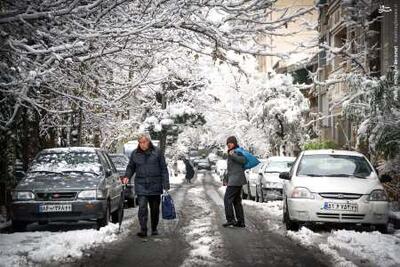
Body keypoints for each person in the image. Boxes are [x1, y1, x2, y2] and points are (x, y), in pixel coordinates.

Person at [122, 133, 170, 237]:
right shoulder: (135, 153)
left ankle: (154, 228)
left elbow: (164, 169)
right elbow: (131, 167)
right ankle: (143, 229)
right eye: (140, 142)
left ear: (149, 142)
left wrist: (166, 184)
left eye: (144, 142)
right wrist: (127, 176)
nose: (142, 144)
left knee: (154, 209)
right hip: (141, 185)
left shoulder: (157, 152)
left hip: (155, 184)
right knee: (142, 208)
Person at [222, 136, 246, 228]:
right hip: (234, 180)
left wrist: (233, 155)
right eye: (228, 144)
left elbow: (242, 160)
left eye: (231, 143)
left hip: (236, 180)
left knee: (227, 199)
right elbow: (230, 168)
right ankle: (241, 221)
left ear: (234, 143)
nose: (229, 145)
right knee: (236, 201)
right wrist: (226, 178)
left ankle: (231, 219)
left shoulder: (237, 151)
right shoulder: (231, 152)